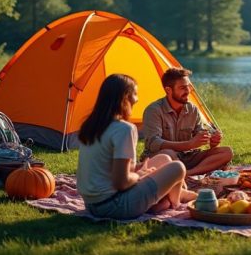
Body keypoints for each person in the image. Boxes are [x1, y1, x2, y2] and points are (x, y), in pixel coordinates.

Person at [76, 74, 196, 219]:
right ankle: (175, 202)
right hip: (115, 205)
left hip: (92, 205)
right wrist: (139, 175)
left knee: (163, 159)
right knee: (178, 167)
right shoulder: (124, 129)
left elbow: (111, 169)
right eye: (135, 94)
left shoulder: (92, 126)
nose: (137, 99)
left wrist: (141, 171)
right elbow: (122, 182)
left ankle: (171, 196)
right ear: (126, 98)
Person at [142, 67, 233, 176]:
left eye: (188, 87)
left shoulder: (193, 109)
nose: (188, 91)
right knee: (168, 154)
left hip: (187, 157)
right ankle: (183, 172)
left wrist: (212, 141)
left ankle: (187, 174)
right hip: (162, 158)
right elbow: (153, 143)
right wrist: (189, 144)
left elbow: (199, 135)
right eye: (182, 88)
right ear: (168, 90)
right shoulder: (153, 110)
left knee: (227, 152)